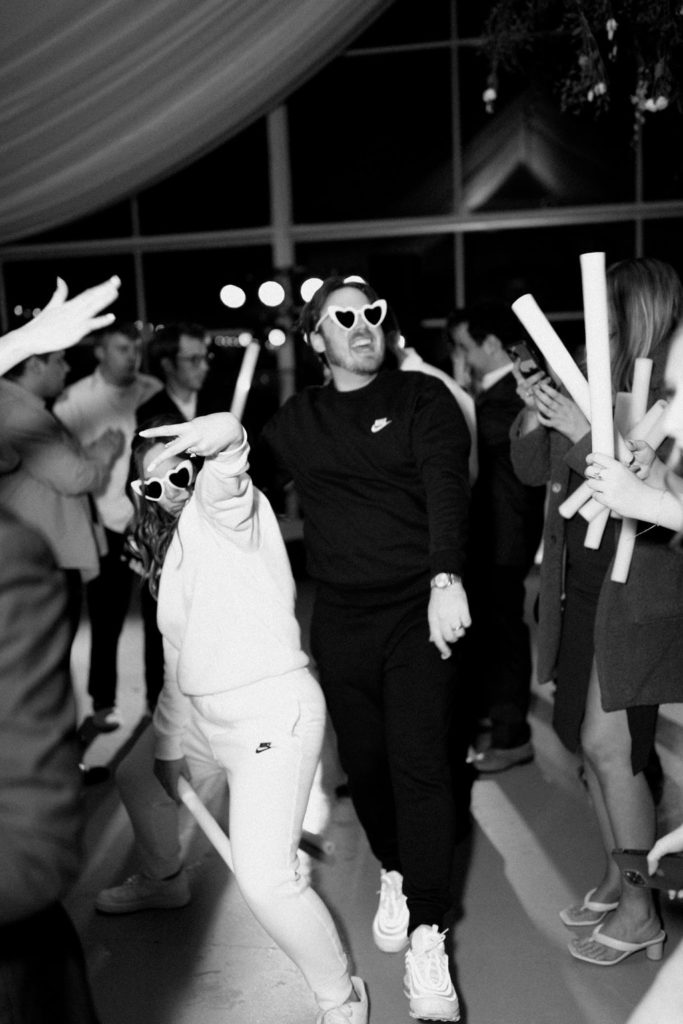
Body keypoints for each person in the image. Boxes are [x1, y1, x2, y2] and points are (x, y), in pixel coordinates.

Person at [103, 411, 367, 1024]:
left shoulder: (226, 514)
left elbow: (230, 462)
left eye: (178, 474)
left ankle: (342, 996)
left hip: (268, 714)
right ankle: (165, 876)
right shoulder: (173, 551)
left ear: (196, 467)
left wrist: (221, 435)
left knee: (266, 882)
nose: (167, 491)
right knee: (137, 776)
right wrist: (167, 742)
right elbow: (176, 660)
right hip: (204, 712)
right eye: (151, 487)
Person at [256, 275, 471, 1022]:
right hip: (342, 619)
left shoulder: (422, 400)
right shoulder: (297, 418)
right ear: (316, 339)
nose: (361, 323)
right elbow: (238, 483)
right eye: (341, 316)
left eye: (372, 312)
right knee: (368, 767)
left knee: (420, 764)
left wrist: (447, 577)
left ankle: (427, 930)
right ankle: (394, 867)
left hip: (418, 610)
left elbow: (447, 485)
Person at [510, 257, 683, 966]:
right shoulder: (597, 382)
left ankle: (641, 907)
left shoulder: (668, 394)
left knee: (612, 749)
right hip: (575, 590)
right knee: (586, 745)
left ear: (635, 317)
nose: (593, 331)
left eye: (606, 318)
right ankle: (621, 877)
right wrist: (535, 407)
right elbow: (528, 470)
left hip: (636, 597)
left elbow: (654, 512)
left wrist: (586, 430)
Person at [450, 302, 545, 772]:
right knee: (494, 629)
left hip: (504, 532)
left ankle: (513, 736)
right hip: (499, 529)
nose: (461, 357)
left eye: (464, 346)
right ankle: (498, 715)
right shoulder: (498, 389)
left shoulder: (513, 392)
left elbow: (473, 442)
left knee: (504, 632)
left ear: (490, 344)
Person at [54, 322, 162, 730]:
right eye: (122, 348)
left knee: (158, 618)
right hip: (105, 523)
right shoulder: (75, 401)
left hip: (149, 521)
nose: (131, 356)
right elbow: (65, 468)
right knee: (105, 619)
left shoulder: (152, 390)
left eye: (135, 348)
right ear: (101, 352)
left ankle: (158, 701)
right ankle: (103, 705)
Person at [0, 346, 121, 646]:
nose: (66, 368)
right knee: (45, 656)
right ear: (33, 364)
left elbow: (49, 465)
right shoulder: (19, 411)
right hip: (46, 554)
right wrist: (103, 457)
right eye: (58, 360)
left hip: (43, 550)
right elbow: (73, 478)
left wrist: (89, 453)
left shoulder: (23, 406)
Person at [135, 323, 220, 711]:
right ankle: (162, 706)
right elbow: (137, 478)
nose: (203, 366)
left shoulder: (220, 405)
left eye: (205, 357)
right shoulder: (148, 412)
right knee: (161, 623)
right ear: (168, 364)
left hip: (213, 528)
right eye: (193, 359)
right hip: (163, 533)